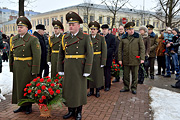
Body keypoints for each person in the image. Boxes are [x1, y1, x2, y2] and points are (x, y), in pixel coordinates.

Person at [57, 11, 93, 120]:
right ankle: (70, 110)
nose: (71, 26)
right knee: (68, 89)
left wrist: (87, 69)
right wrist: (60, 68)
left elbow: (90, 54)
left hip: (79, 67)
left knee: (79, 90)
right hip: (68, 67)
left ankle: (79, 111)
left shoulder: (85, 37)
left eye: (73, 24)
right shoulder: (65, 37)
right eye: (70, 24)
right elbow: (61, 54)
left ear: (78, 25)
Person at [9, 16, 41, 114]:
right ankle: (22, 105)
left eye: (21, 27)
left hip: (27, 67)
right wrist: (11, 66)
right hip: (18, 66)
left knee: (27, 87)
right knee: (19, 87)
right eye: (18, 27)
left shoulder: (32, 39)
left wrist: (35, 70)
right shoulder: (14, 39)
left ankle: (28, 106)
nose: (19, 28)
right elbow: (11, 53)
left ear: (27, 28)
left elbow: (37, 55)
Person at [118, 22, 145, 94]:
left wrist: (142, 58)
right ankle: (126, 87)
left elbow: (142, 48)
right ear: (126, 30)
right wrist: (120, 59)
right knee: (125, 75)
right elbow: (120, 49)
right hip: (126, 59)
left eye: (132, 29)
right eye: (130, 29)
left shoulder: (138, 37)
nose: (132, 30)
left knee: (135, 75)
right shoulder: (123, 38)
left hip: (135, 59)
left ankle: (134, 88)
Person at [87, 21, 107, 98]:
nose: (92, 30)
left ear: (97, 30)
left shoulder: (101, 38)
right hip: (90, 59)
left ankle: (97, 91)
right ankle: (91, 90)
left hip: (98, 59)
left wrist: (103, 61)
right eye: (91, 29)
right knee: (91, 75)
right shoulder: (87, 37)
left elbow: (104, 50)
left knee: (98, 76)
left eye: (94, 29)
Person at [101, 24, 116, 91]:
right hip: (100, 57)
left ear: (108, 30)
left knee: (107, 72)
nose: (104, 30)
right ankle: (101, 85)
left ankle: (107, 86)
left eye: (105, 29)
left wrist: (105, 54)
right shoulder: (100, 37)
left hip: (108, 57)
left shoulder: (112, 37)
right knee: (101, 72)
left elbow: (112, 48)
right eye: (103, 29)